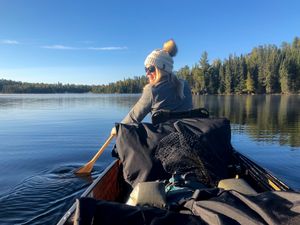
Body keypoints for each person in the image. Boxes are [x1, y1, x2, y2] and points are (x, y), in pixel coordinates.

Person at [111, 39, 193, 136]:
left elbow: (133, 118)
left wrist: (116, 129)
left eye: (151, 69)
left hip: (164, 142)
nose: (147, 73)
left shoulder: (153, 90)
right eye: (146, 69)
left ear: (162, 69)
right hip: (187, 137)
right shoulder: (185, 85)